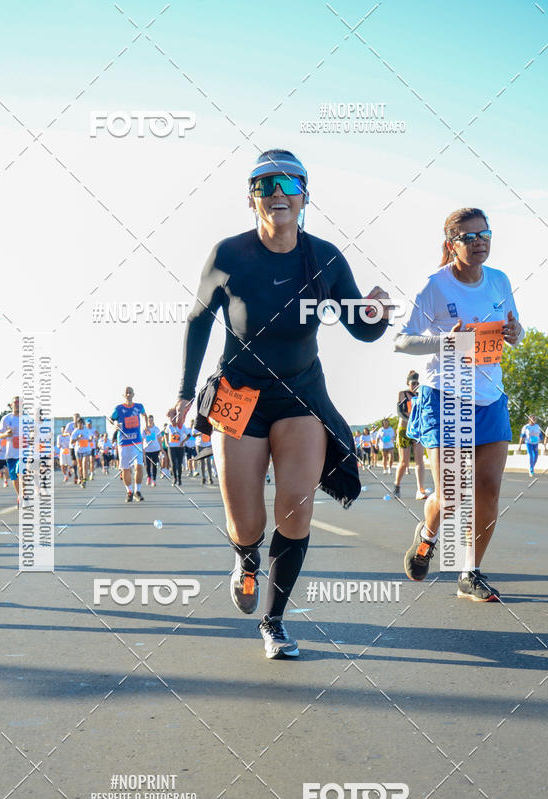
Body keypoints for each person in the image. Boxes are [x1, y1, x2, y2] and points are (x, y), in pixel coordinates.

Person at [168, 149, 391, 658]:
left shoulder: (326, 257)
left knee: (295, 510)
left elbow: (360, 327)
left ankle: (274, 620)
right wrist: (184, 392)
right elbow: (199, 321)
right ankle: (246, 560)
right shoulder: (228, 254)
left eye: (289, 184)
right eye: (265, 185)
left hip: (300, 394)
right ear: (252, 200)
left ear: (305, 197)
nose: (277, 193)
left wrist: (375, 313)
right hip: (237, 395)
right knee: (247, 522)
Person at [395, 207, 524, 601]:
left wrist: (516, 331)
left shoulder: (499, 281)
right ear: (451, 244)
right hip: (445, 397)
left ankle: (470, 571)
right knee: (451, 492)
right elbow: (402, 341)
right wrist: (444, 342)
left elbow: (514, 333)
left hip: (490, 398)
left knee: (487, 489)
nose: (480, 242)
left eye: (484, 234)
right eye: (469, 237)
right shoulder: (434, 286)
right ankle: (429, 534)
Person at [393, 371, 428, 499]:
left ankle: (420, 490)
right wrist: (411, 420)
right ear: (408, 383)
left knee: (419, 460)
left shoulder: (421, 395)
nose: (415, 385)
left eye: (417, 383)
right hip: (404, 430)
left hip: (417, 430)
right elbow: (400, 412)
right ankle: (397, 485)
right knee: (404, 462)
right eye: (413, 383)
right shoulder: (402, 394)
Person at [111, 387, 148, 502]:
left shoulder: (139, 407)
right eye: (126, 392)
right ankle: (129, 491)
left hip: (136, 441)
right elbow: (112, 419)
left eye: (130, 392)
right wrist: (115, 425)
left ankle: (137, 491)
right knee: (125, 469)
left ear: (133, 394)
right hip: (124, 442)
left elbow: (144, 415)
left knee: (139, 466)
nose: (128, 394)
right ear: (124, 395)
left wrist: (146, 425)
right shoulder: (118, 408)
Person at [0, 396, 21, 505]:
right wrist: (6, 434)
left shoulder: (27, 419)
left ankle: (24, 496)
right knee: (14, 477)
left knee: (21, 472)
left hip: (23, 453)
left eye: (19, 402)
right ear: (11, 405)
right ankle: (20, 495)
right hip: (11, 452)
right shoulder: (6, 419)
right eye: (15, 402)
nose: (17, 404)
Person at [70, 417, 93, 487]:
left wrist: (90, 439)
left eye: (81, 423)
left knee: (84, 465)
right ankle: (81, 477)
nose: (80, 425)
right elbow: (71, 442)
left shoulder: (87, 430)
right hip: (78, 450)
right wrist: (78, 438)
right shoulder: (75, 431)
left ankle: (84, 480)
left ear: (83, 424)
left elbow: (91, 438)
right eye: (78, 423)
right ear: (77, 424)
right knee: (80, 467)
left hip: (86, 450)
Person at [165, 421, 189, 486]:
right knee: (173, 463)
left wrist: (183, 441)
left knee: (179, 464)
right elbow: (165, 433)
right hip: (172, 447)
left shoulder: (182, 426)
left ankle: (179, 479)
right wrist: (166, 442)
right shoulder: (169, 426)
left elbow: (189, 435)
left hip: (180, 447)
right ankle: (175, 479)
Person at [143, 415, 162, 487]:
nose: (150, 421)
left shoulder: (156, 429)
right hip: (147, 450)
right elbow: (142, 439)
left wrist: (161, 449)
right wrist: (142, 449)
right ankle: (149, 477)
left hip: (155, 449)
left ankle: (154, 480)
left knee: (154, 465)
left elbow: (160, 439)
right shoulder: (144, 429)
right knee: (147, 465)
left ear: (153, 420)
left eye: (151, 420)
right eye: (149, 420)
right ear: (147, 421)